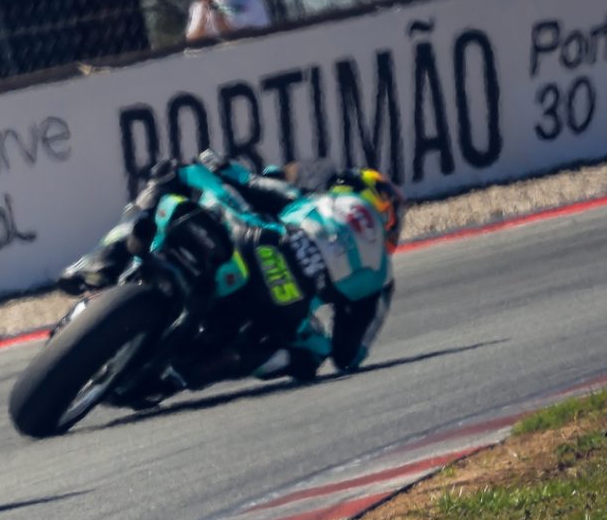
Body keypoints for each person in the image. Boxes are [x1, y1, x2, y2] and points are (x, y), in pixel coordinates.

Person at [67, 152, 402, 379]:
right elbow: (347, 355)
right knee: (310, 356)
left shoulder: (312, 197)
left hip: (258, 239)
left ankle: (104, 260)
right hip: (288, 300)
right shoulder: (381, 274)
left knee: (173, 172)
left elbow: (249, 181)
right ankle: (202, 366)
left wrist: (216, 165)